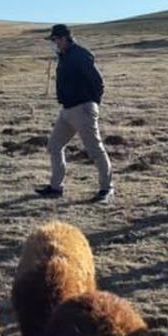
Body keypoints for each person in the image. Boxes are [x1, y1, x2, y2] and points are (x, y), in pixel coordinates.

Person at [35, 24, 113, 203]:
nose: (53, 44)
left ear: (63, 38)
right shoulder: (63, 56)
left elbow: (98, 82)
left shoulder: (80, 55)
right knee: (54, 146)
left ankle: (107, 189)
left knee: (95, 150)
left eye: (54, 40)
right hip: (67, 110)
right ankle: (56, 187)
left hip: (82, 109)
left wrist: (91, 103)